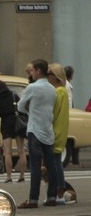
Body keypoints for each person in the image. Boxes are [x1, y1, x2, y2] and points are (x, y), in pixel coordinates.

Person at [17, 59, 57, 208]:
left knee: (35, 165)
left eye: (32, 70)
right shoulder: (52, 89)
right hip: (48, 130)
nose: (31, 73)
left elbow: (21, 107)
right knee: (51, 164)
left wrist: (30, 109)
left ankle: (33, 199)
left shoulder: (32, 88)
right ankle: (51, 196)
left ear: (39, 70)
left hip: (34, 129)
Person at [0, 80, 26, 182]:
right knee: (21, 151)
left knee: (7, 152)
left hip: (6, 124)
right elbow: (21, 109)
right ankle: (22, 176)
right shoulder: (13, 95)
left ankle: (9, 177)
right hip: (17, 122)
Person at [48, 63, 69, 203]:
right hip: (60, 129)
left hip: (56, 130)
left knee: (55, 163)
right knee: (56, 162)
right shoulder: (63, 91)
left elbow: (54, 112)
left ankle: (59, 191)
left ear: (55, 77)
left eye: (49, 74)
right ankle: (59, 191)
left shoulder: (59, 92)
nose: (47, 76)